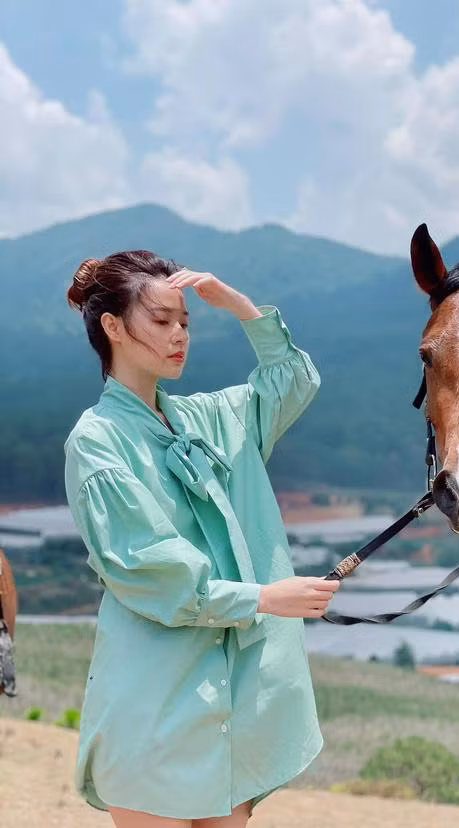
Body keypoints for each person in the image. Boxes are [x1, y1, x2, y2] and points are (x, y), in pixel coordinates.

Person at [63, 251, 340, 828]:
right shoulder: (98, 443)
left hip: (231, 706)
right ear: (112, 327)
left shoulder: (208, 418)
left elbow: (293, 380)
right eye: (161, 321)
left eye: (185, 321)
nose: (179, 335)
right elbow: (154, 573)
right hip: (153, 705)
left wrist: (240, 307)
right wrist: (266, 599)